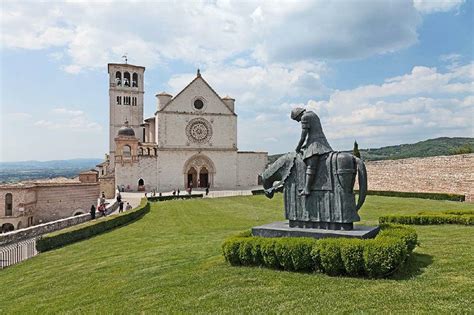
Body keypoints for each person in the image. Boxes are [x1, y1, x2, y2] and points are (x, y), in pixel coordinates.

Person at [291, 107, 333, 196]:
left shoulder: (304, 117)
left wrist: (298, 148)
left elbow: (303, 136)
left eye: (296, 119)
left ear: (298, 114)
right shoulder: (313, 114)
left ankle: (307, 189)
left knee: (311, 164)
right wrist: (306, 145)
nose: (298, 121)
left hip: (316, 143)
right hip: (319, 141)